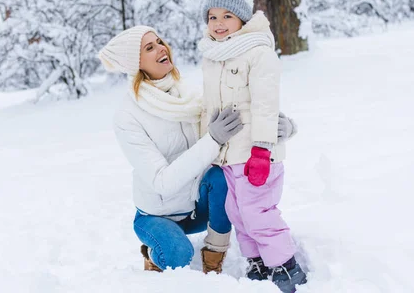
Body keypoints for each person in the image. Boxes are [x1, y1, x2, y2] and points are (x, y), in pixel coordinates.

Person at [98, 25, 298, 274]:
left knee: (222, 177)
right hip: (157, 216)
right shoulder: (128, 116)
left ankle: (214, 257)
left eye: (159, 41)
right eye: (149, 48)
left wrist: (280, 130)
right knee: (178, 255)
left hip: (195, 208)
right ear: (135, 63)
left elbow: (239, 121)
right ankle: (152, 251)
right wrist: (212, 139)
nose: (161, 47)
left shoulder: (187, 96)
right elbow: (162, 182)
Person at [198, 0, 307, 293]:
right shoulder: (212, 56)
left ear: (242, 19)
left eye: (227, 16)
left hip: (255, 154)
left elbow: (264, 104)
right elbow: (209, 107)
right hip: (228, 156)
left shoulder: (258, 52)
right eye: (212, 16)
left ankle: (287, 268)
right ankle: (257, 261)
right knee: (237, 211)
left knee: (258, 212)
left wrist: (262, 148)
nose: (218, 23)